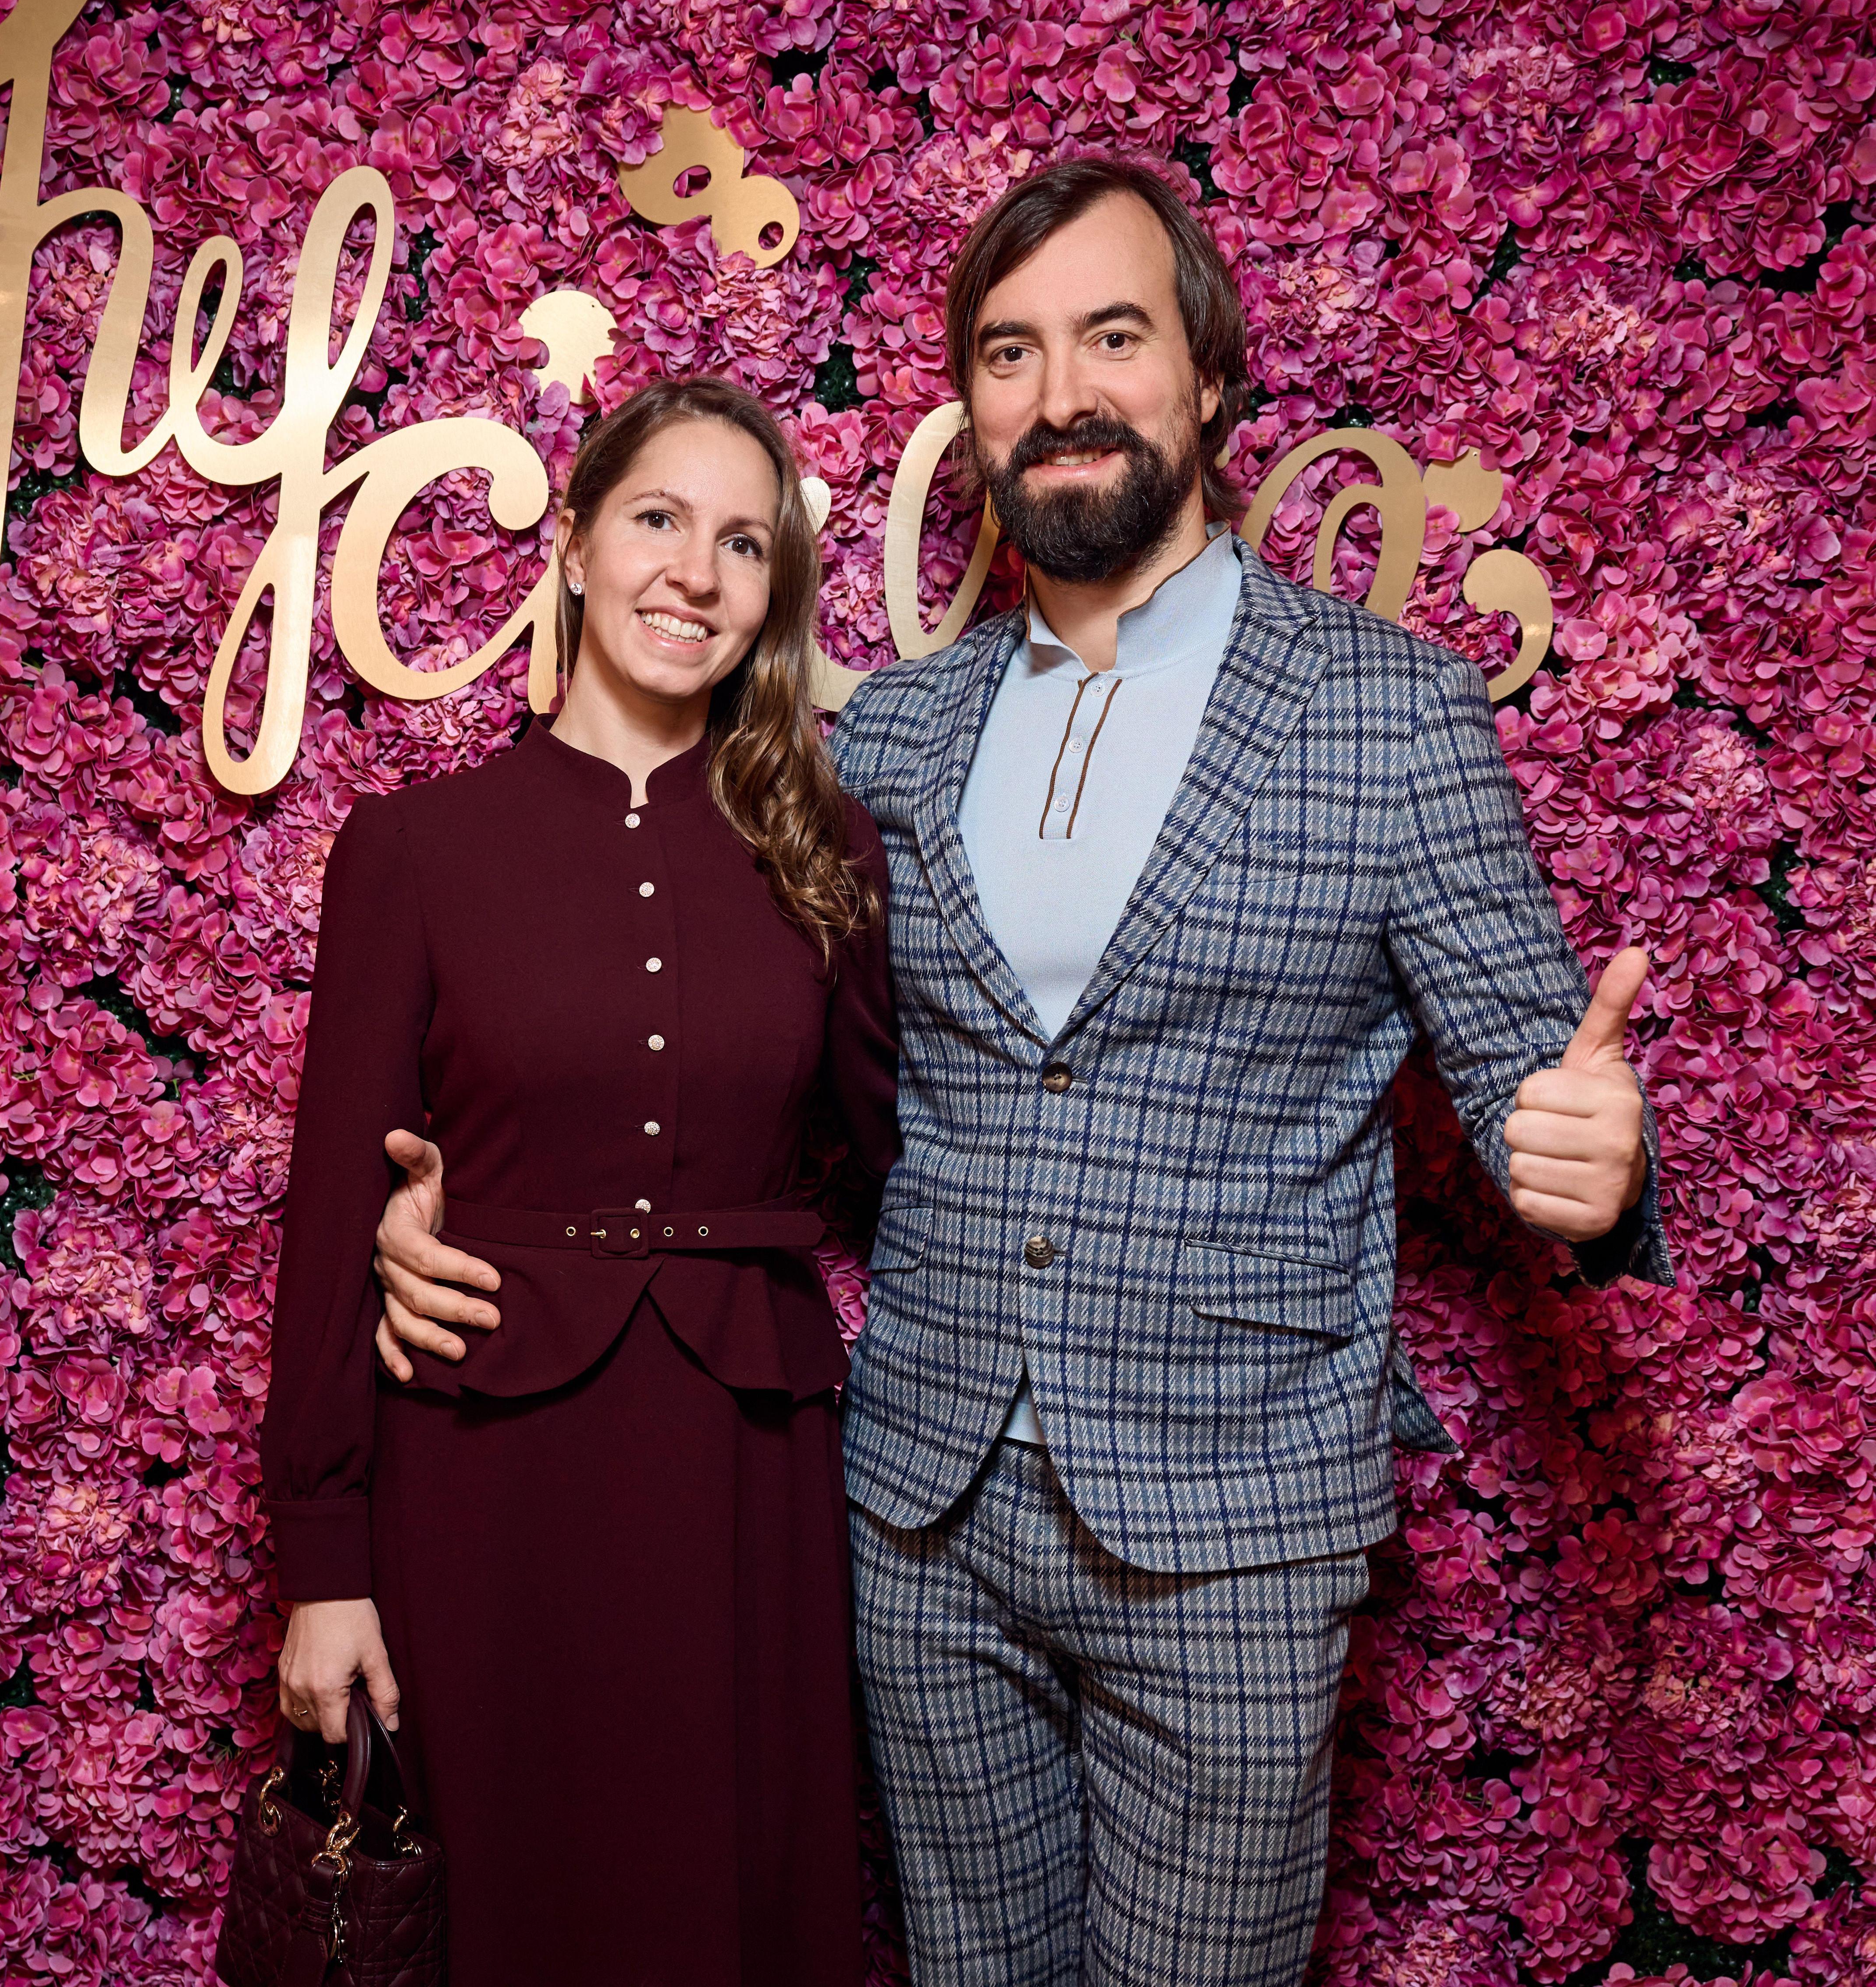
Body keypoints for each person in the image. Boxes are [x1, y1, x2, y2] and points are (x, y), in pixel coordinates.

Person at [370, 159, 1666, 1987]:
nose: (1060, 392)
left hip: (1229, 1529)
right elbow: (730, 1053)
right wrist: (456, 1217)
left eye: (1112, 337)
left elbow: (1544, 1080)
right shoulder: (896, 733)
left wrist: (1602, 1173)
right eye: (1008, 352)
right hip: (923, 1514)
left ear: (1207, 375)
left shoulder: (1390, 713)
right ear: (973, 409)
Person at [259, 376, 897, 1987]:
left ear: (774, 591)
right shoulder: (415, 850)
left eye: (742, 543)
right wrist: (324, 1569)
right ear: (576, 546)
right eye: (658, 520)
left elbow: (920, 1161)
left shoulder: (829, 849)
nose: (695, 573)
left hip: (743, 1481)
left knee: (727, 1909)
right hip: (482, 1480)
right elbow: (334, 1223)